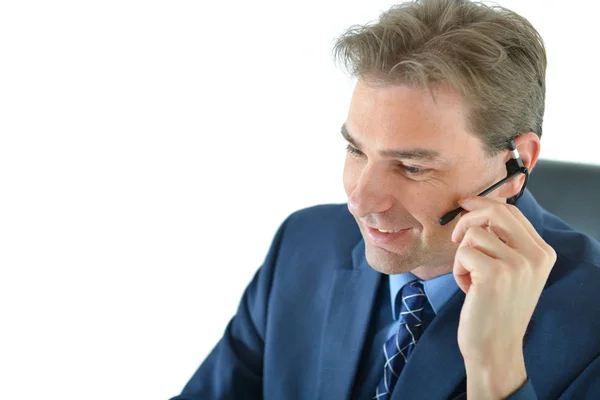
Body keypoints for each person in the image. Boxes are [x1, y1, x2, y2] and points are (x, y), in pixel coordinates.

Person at [170, 0, 600, 398]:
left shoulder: (591, 327)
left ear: (516, 164)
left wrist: (496, 367)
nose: (361, 200)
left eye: (412, 167)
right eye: (357, 150)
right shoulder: (303, 246)